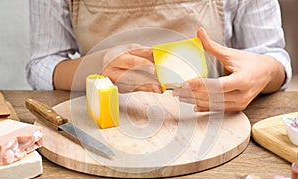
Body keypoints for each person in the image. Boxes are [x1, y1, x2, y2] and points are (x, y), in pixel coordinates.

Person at [27, 0, 292, 112]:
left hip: (212, 121)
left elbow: (272, 56)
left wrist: (263, 71)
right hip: (104, 127)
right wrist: (94, 67)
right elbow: (43, 63)